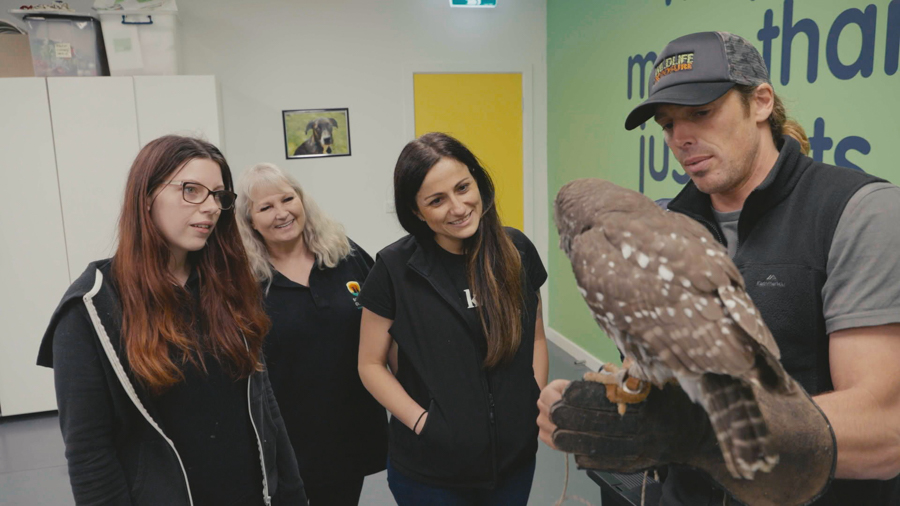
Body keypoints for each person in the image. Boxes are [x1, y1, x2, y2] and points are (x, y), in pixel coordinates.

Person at [538, 31, 900, 505]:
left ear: (761, 102)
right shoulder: (665, 219)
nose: (681, 138)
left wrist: (700, 432)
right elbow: (651, 368)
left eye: (701, 112)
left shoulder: (859, 212)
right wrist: (611, 403)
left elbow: (884, 430)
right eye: (668, 124)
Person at [37, 136, 307, 506]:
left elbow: (264, 405)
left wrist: (293, 495)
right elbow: (89, 453)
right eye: (191, 190)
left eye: (218, 195)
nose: (210, 207)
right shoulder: (90, 308)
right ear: (146, 197)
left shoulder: (227, 286)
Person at [357, 132, 549, 505]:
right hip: (431, 474)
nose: (458, 207)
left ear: (478, 182)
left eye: (463, 188)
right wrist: (423, 423)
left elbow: (537, 338)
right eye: (437, 200)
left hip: (514, 463)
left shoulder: (517, 251)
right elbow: (370, 364)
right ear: (416, 211)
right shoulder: (394, 269)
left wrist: (532, 401)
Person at [235, 162, 388, 506]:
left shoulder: (345, 254)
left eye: (287, 199)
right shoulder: (243, 280)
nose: (282, 213)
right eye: (265, 207)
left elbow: (387, 323)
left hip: (350, 430)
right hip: (286, 440)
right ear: (250, 221)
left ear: (302, 200)